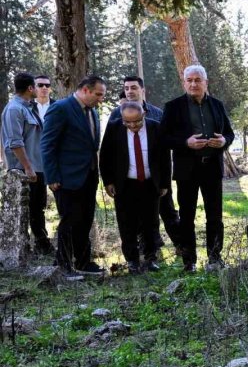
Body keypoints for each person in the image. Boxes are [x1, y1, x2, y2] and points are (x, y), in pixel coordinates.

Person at [160, 64, 235, 273]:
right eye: (189, 80)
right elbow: (163, 138)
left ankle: (214, 258)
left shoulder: (217, 105)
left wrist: (224, 142)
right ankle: (189, 261)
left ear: (205, 83)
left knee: (215, 215)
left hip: (212, 167)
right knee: (187, 216)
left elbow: (229, 134)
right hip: (187, 171)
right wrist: (186, 142)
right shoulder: (173, 107)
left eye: (197, 80)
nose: (193, 84)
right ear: (184, 83)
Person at [40, 75, 107, 276]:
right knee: (69, 221)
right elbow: (47, 144)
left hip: (88, 176)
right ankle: (64, 265)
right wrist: (51, 177)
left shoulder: (93, 112)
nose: (101, 99)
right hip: (66, 178)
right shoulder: (61, 108)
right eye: (98, 94)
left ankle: (83, 262)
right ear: (85, 90)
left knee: (85, 220)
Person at [110, 76, 181, 254]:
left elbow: (165, 147)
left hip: (155, 175)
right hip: (131, 176)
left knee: (168, 211)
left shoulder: (157, 114)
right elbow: (111, 149)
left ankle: (181, 245)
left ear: (143, 90)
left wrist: (164, 178)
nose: (129, 91)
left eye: (133, 87)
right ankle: (148, 250)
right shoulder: (116, 115)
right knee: (139, 216)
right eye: (126, 88)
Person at [99, 101, 171, 273]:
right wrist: (108, 181)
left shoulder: (155, 128)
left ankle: (150, 258)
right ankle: (132, 260)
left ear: (144, 114)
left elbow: (164, 157)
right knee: (126, 223)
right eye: (127, 122)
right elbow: (105, 155)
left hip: (149, 183)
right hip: (125, 184)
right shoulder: (114, 127)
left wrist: (164, 183)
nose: (132, 125)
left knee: (151, 222)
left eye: (137, 121)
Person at [2, 72, 54, 254]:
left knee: (37, 208)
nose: (41, 90)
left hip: (37, 167)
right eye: (37, 86)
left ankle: (41, 244)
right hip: (24, 169)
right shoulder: (14, 109)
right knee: (26, 211)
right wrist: (28, 168)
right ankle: (30, 247)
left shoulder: (28, 107)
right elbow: (15, 143)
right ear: (30, 88)